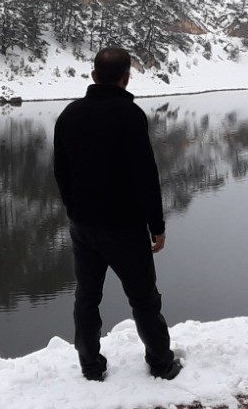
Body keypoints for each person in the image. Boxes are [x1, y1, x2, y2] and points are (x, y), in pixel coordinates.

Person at [54, 47, 182, 382]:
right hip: (123, 226)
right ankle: (161, 362)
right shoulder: (130, 115)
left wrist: (74, 209)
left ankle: (90, 365)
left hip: (83, 225)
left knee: (87, 297)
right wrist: (157, 225)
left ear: (94, 76)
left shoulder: (69, 115)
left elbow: (61, 172)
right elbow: (145, 175)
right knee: (144, 298)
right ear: (126, 78)